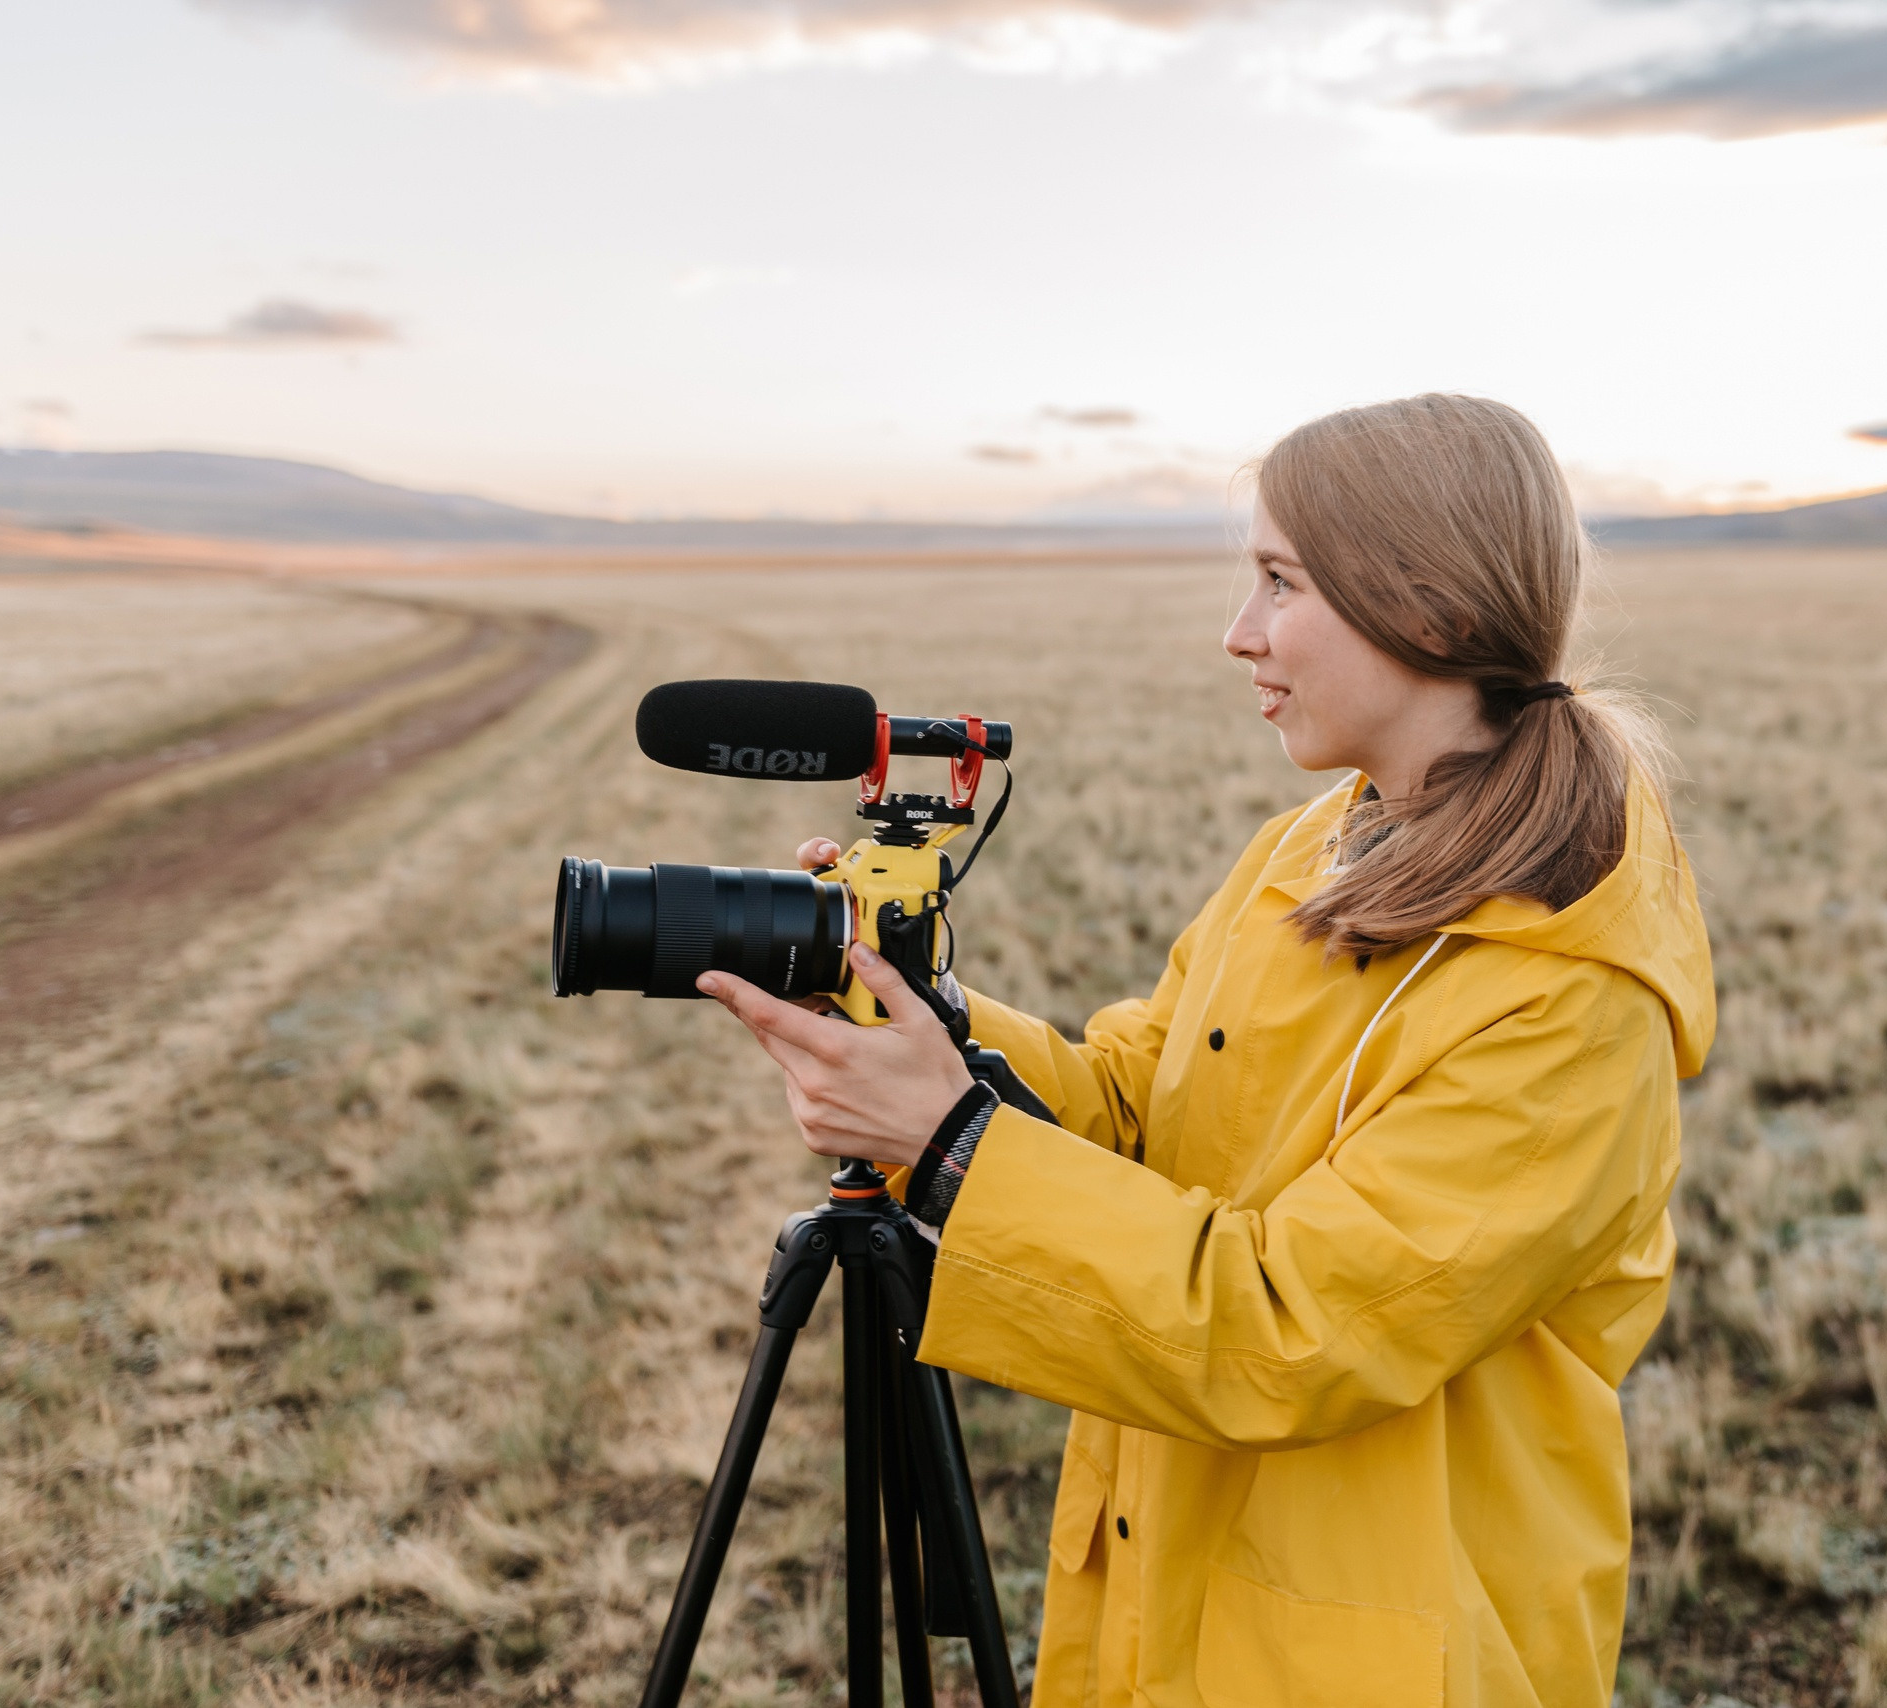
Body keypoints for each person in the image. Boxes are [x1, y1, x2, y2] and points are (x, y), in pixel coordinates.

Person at [699, 393, 1714, 1708]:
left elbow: (1293, 1329)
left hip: (1377, 1659)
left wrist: (948, 1148)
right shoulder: (1314, 848)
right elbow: (1137, 1103)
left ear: (1435, 611)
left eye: (1282, 582)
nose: (1238, 633)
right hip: (1173, 1587)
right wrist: (923, 1017)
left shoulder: (1568, 999)